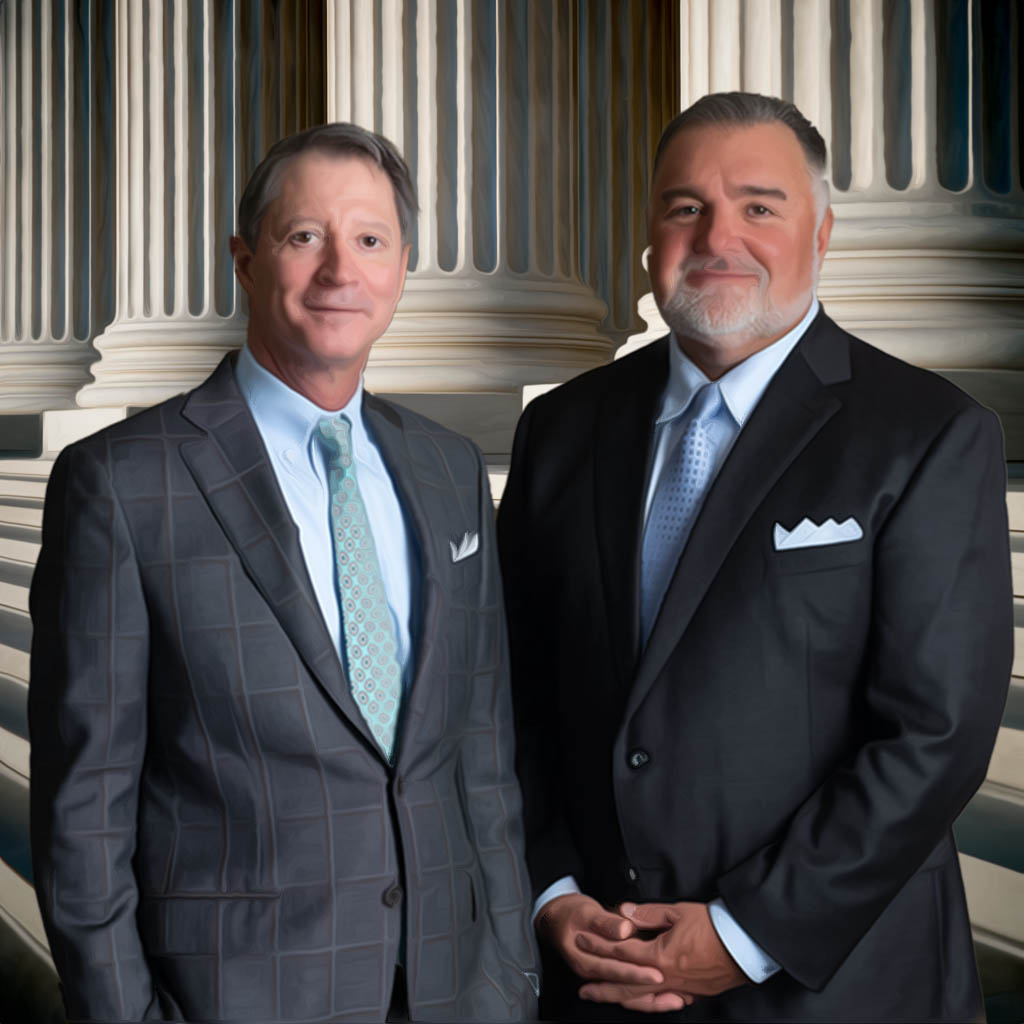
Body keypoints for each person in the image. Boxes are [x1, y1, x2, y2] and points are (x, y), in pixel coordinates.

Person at [497, 91, 1012, 1021]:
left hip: (835, 981)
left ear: (820, 235)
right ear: (651, 236)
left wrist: (745, 934)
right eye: (685, 206)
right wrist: (550, 888)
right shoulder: (560, 430)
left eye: (759, 206)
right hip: (598, 970)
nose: (717, 235)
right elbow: (511, 692)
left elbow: (934, 734)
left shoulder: (929, 434)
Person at [30, 122, 538, 1023]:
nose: (342, 271)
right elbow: (84, 811)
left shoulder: (449, 472)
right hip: (237, 998)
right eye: (306, 236)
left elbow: (482, 762)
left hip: (452, 992)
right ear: (246, 259)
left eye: (371, 240)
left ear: (402, 266)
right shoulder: (123, 483)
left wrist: (507, 978)